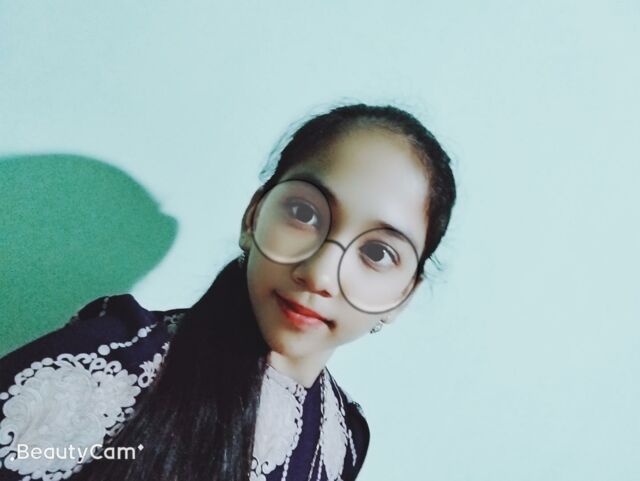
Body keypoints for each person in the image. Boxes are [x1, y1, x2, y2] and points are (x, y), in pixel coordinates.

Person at [0, 103, 457, 481]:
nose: (319, 274)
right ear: (253, 216)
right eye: (304, 213)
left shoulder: (346, 440)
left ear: (402, 297)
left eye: (377, 252)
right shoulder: (108, 367)